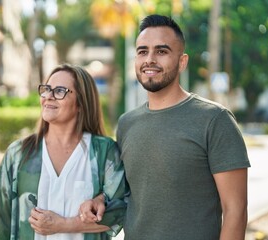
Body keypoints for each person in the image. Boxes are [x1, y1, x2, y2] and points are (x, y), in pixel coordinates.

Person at [80, 15, 251, 240]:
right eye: (142, 51)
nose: (150, 59)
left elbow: (235, 211)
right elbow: (128, 191)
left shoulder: (215, 120)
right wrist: (100, 199)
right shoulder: (126, 123)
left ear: (182, 61)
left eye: (161, 51)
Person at [0, 63, 128, 240]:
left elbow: (121, 211)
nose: (49, 97)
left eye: (60, 91)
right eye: (46, 89)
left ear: (81, 103)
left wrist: (63, 224)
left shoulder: (104, 152)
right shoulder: (18, 154)